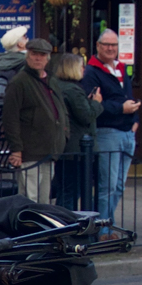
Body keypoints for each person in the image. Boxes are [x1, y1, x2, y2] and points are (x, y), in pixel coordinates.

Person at [82, 30, 141, 223]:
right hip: (107, 132)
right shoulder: (91, 71)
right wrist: (121, 109)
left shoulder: (122, 68)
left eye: (114, 45)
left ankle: (107, 223)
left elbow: (128, 97)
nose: (110, 48)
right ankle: (103, 228)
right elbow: (93, 103)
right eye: (106, 44)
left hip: (127, 132)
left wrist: (135, 120)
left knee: (119, 186)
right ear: (98, 46)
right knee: (107, 186)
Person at [2, 38, 67, 205]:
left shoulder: (51, 80)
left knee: (44, 200)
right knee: (30, 199)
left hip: (50, 150)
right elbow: (10, 117)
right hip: (30, 151)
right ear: (27, 55)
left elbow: (61, 109)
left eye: (42, 55)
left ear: (48, 58)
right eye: (34, 54)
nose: (38, 58)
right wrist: (16, 149)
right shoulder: (19, 82)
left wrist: (64, 134)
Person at [49, 53, 102, 210]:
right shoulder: (72, 90)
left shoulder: (57, 85)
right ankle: (66, 222)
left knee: (66, 190)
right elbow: (86, 116)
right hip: (76, 148)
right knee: (71, 191)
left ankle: (63, 220)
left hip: (66, 146)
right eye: (81, 66)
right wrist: (96, 103)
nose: (84, 69)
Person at [0, 25, 28, 105]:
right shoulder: (27, 62)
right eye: (25, 37)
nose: (28, 39)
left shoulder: (1, 63)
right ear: (20, 44)